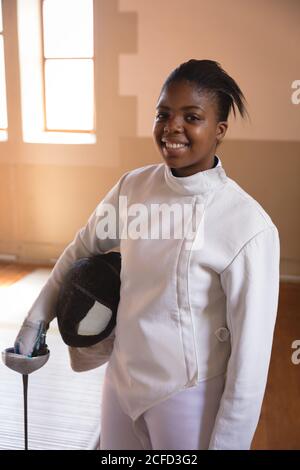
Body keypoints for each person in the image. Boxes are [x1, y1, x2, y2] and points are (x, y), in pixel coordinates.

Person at [14, 59, 280, 450]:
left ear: (219, 130)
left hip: (187, 393)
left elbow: (250, 362)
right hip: (121, 384)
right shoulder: (133, 188)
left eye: (192, 116)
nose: (172, 127)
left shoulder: (248, 225)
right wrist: (34, 325)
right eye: (163, 114)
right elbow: (82, 250)